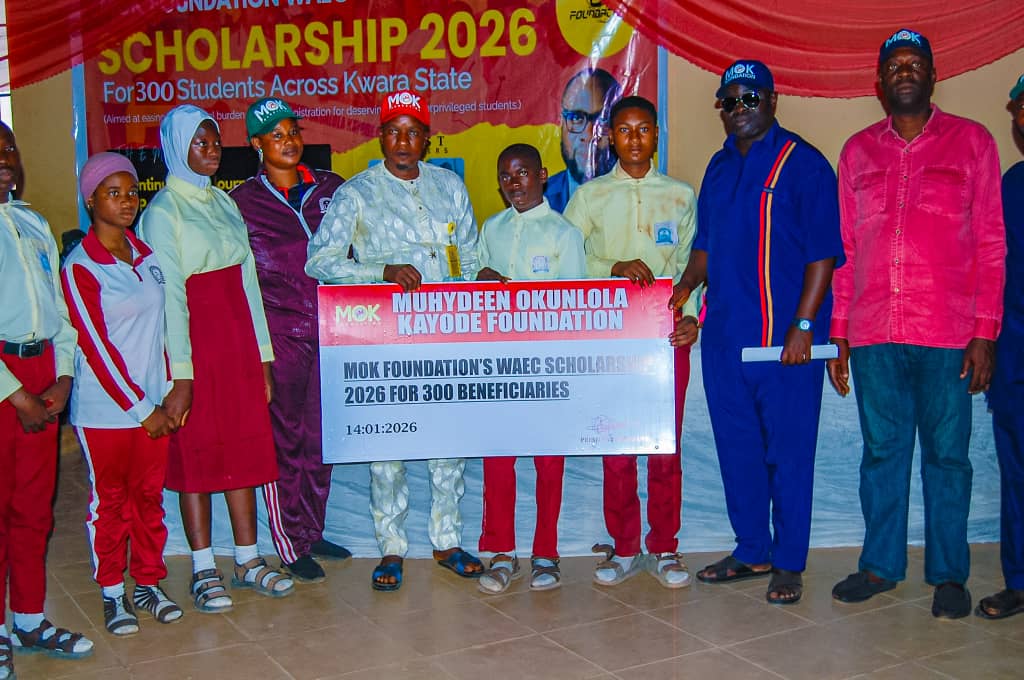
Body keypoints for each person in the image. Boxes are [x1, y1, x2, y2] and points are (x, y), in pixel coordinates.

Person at [828, 29, 1006, 619]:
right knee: (882, 454)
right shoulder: (857, 152)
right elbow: (846, 249)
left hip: (949, 334)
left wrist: (985, 332)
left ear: (932, 76)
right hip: (874, 331)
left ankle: (949, 574)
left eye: (915, 64)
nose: (904, 72)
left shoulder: (973, 142)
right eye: (894, 66)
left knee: (948, 458)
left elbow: (991, 244)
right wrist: (839, 331)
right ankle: (880, 565)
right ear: (880, 83)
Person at [671, 61, 843, 605]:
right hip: (725, 340)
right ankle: (752, 550)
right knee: (738, 450)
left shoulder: (804, 163)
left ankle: (788, 561)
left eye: (750, 98)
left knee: (788, 456)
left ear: (772, 100)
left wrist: (804, 325)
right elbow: (705, 245)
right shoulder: (719, 167)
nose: (739, 108)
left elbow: (822, 255)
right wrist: (685, 284)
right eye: (730, 100)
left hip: (784, 345)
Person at [306, 90, 483, 591]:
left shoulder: (449, 186)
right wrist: (379, 271)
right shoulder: (357, 193)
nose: (403, 142)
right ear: (380, 137)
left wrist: (475, 288)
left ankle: (447, 540)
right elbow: (319, 261)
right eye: (393, 132)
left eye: (413, 132)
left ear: (427, 138)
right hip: (384, 339)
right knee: (388, 447)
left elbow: (470, 256)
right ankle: (391, 548)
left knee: (448, 444)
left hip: (445, 335)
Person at [139, 105, 294, 614]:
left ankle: (248, 559)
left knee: (245, 449)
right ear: (176, 148)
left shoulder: (225, 203)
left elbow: (248, 282)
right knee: (198, 455)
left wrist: (263, 357)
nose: (212, 150)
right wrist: (181, 375)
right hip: (194, 346)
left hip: (237, 342)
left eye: (214, 142)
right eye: (200, 143)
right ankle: (204, 567)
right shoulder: (163, 213)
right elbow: (170, 299)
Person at [563, 96, 698, 589]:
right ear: (610, 137)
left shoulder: (680, 195)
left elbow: (690, 266)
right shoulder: (590, 197)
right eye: (624, 130)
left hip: (666, 336)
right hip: (611, 337)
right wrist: (612, 267)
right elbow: (566, 261)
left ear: (657, 135)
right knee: (616, 443)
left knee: (665, 445)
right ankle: (624, 546)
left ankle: (664, 545)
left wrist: (692, 316)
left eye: (644, 130)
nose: (634, 139)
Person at [230, 97, 350, 584]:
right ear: (256, 144)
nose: (288, 141)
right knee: (287, 440)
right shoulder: (242, 203)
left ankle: (312, 530)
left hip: (334, 329)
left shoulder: (331, 188)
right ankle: (290, 542)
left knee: (322, 438)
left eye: (292, 131)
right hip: (280, 335)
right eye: (275, 135)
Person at [62, 152, 183, 635]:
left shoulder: (147, 256)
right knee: (109, 502)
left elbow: (163, 329)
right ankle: (113, 592)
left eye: (131, 192)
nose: (127, 201)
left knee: (149, 498)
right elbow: (96, 347)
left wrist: (170, 390)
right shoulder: (81, 267)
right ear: (91, 200)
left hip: (154, 404)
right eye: (113, 193)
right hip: (106, 411)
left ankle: (148, 582)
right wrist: (141, 408)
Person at [0, 120, 93, 675]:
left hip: (43, 373)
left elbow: (60, 312)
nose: (4, 158)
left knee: (34, 508)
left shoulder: (33, 222)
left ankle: (30, 619)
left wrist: (62, 378)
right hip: (5, 379)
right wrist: (17, 395)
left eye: (9, 147)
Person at [475, 143, 585, 594]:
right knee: (498, 461)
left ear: (542, 175)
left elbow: (577, 305)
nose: (513, 182)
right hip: (499, 366)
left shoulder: (564, 234)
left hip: (548, 367)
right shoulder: (492, 228)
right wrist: (479, 279)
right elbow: (473, 291)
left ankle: (546, 553)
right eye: (505, 175)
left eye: (522, 173)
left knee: (548, 463)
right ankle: (502, 552)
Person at [977, 73, 1024, 620]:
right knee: (1017, 476)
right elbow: (990, 265)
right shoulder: (1011, 184)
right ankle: (1020, 581)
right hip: (1016, 359)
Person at [544, 68, 622, 213]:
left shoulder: (639, 197)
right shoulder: (539, 200)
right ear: (561, 123)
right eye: (576, 118)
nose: (589, 135)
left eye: (602, 120)